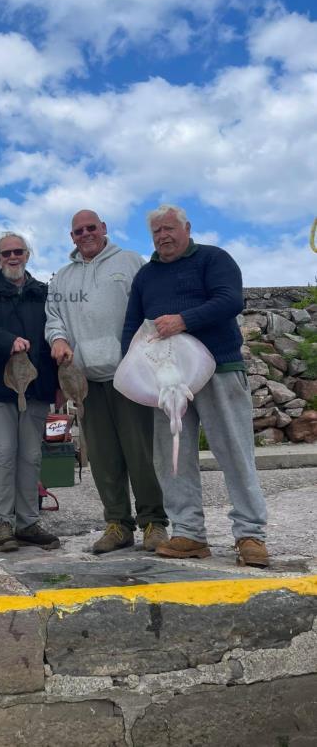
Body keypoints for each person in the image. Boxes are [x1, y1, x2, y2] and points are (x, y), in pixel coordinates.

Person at [122, 204, 269, 567]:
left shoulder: (213, 259)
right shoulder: (145, 276)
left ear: (187, 228)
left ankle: (250, 534)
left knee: (234, 450)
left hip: (218, 368)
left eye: (169, 228)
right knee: (172, 456)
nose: (163, 236)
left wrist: (184, 320)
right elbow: (132, 327)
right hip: (166, 380)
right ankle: (188, 532)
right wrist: (134, 367)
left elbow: (230, 300)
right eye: (156, 232)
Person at [45, 210, 168, 554]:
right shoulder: (62, 279)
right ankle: (117, 524)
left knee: (140, 453)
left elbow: (151, 306)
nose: (85, 234)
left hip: (129, 374)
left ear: (104, 229)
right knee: (101, 457)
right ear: (71, 237)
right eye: (78, 231)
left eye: (91, 228)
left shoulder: (130, 262)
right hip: (85, 382)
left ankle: (154, 523)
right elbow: (53, 319)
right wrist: (58, 340)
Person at [0, 232, 60, 552]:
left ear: (27, 254)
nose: (13, 257)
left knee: (31, 455)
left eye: (18, 251)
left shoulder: (44, 293)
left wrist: (59, 384)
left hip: (36, 386)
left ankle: (27, 521)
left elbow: (55, 334)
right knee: (3, 454)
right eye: (6, 252)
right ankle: (2, 522)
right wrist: (6, 340)